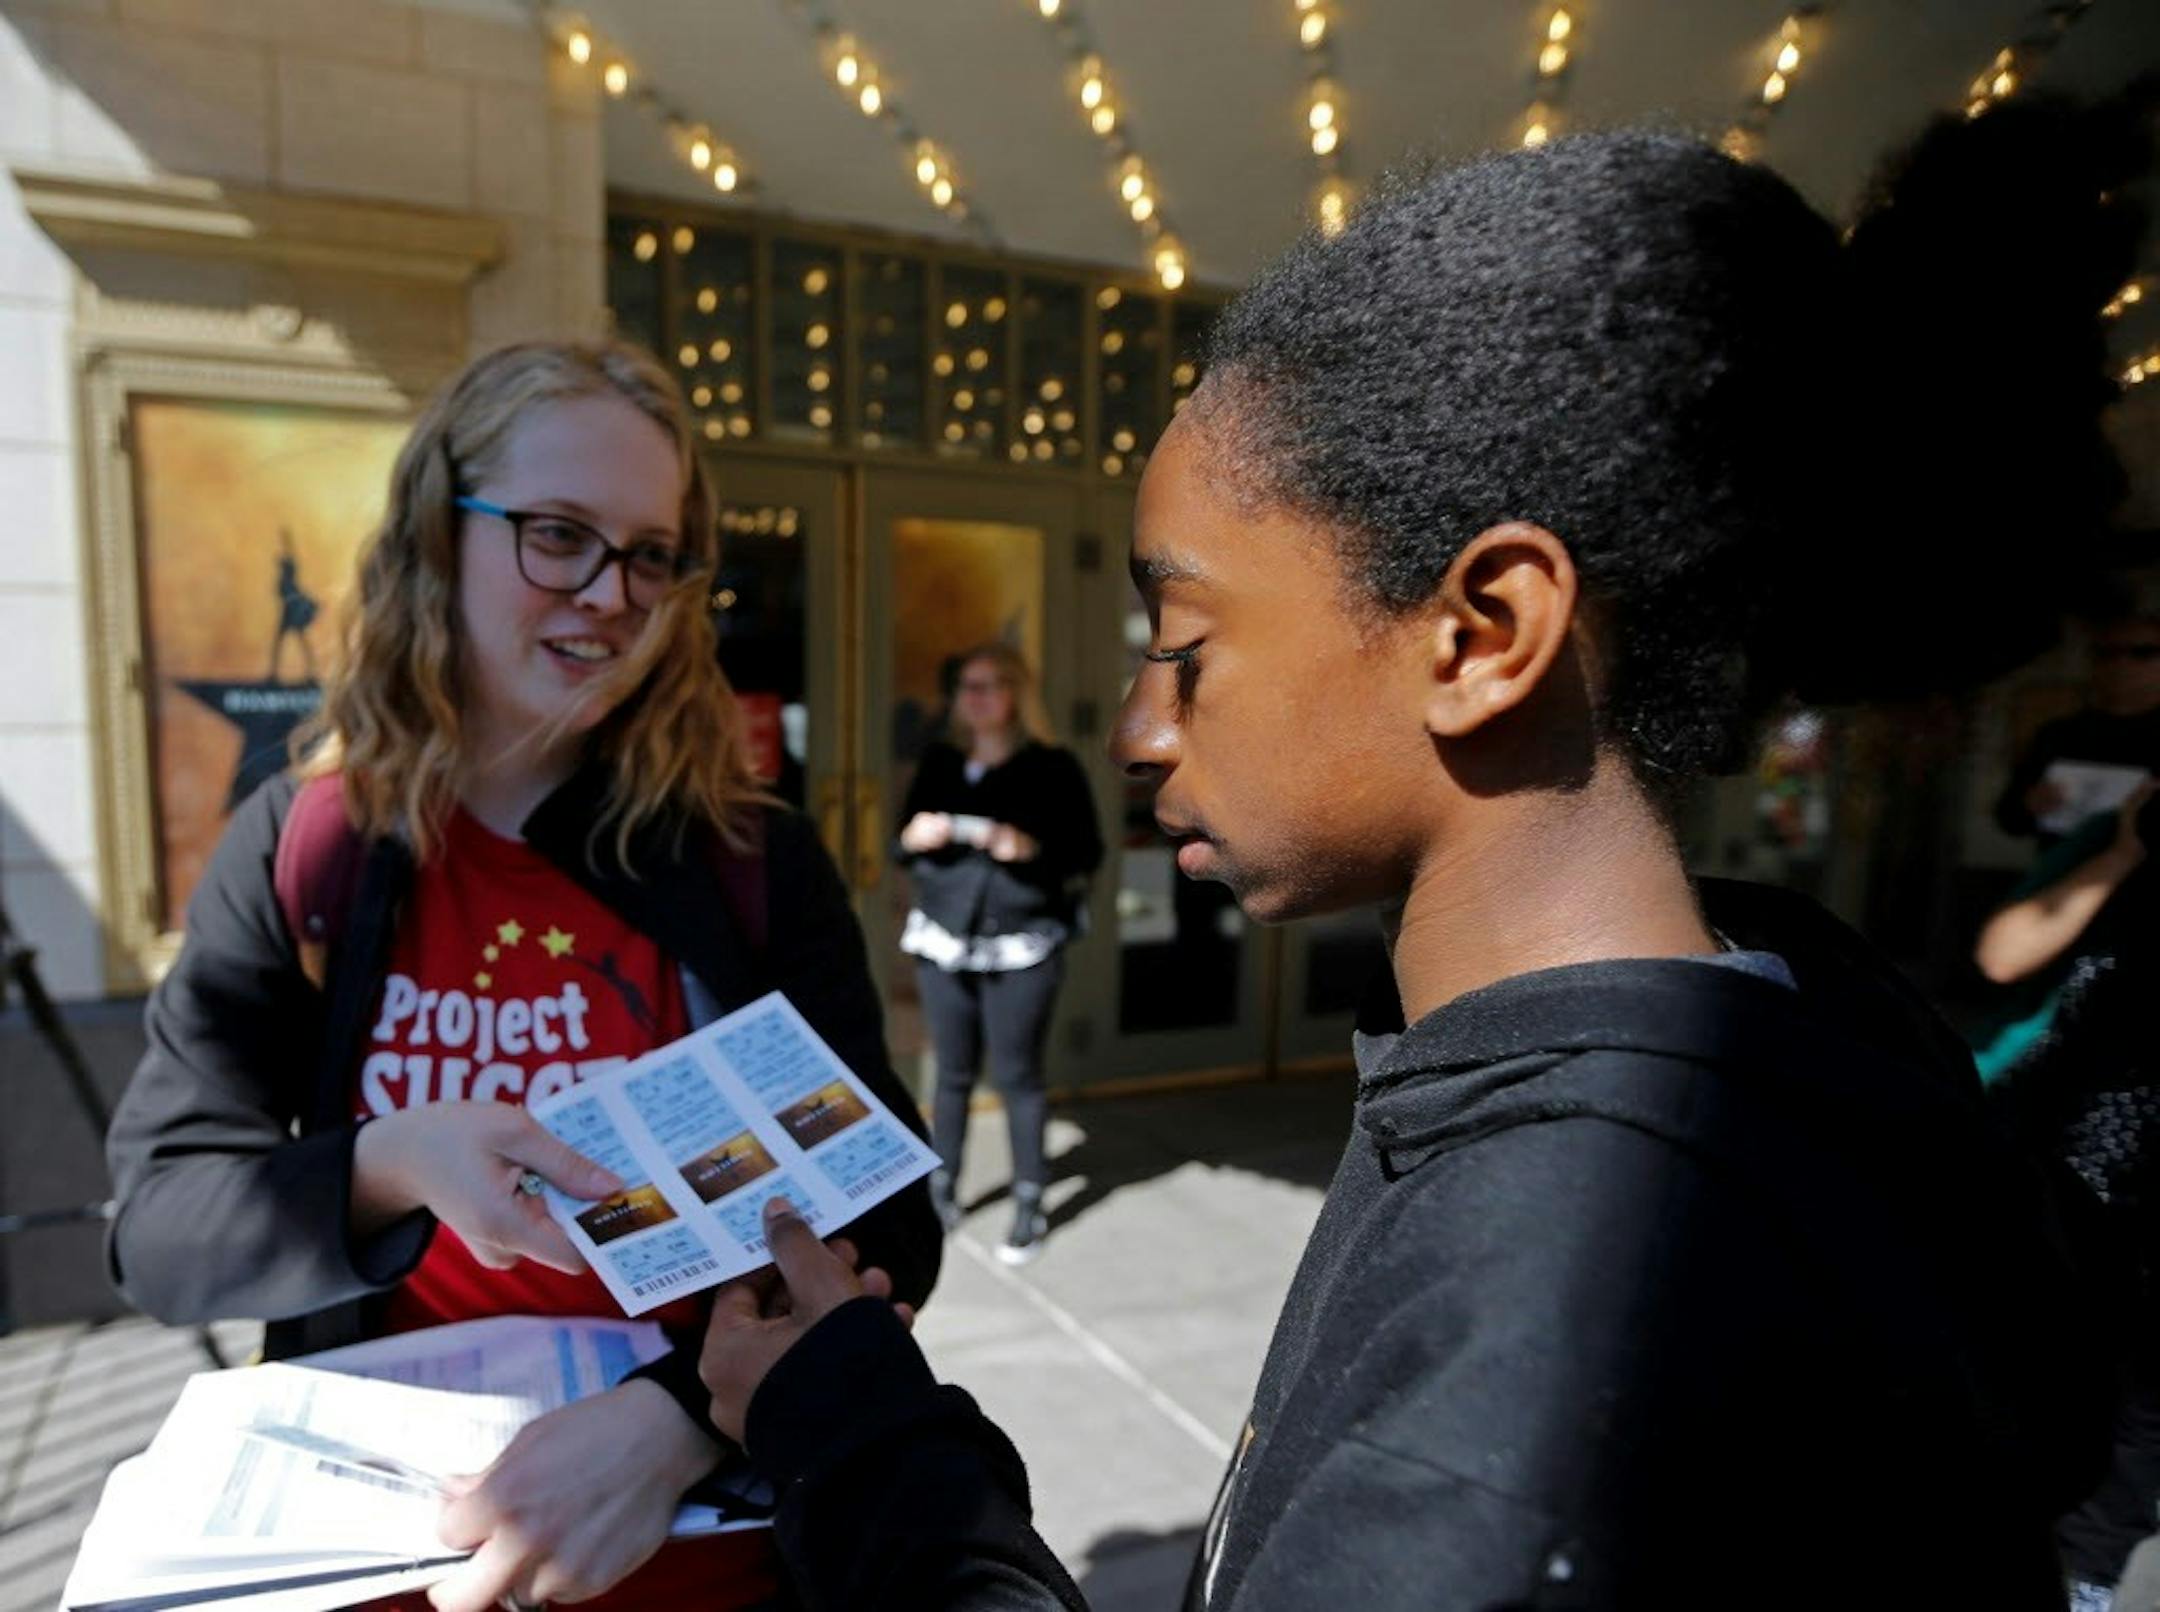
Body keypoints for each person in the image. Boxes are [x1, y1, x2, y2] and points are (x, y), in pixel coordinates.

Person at [692, 101, 2146, 1609]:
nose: (1137, 726)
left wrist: (851, 1436)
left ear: (1484, 634)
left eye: (1186, 644)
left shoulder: (1555, 1327)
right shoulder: (1808, 1034)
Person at [103, 339, 942, 1612]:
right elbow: (159, 1233)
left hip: (697, 1557)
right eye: (559, 534)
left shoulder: (743, 855)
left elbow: (887, 1219)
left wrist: (682, 1422)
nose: (610, 593)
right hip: (390, 1564)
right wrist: (393, 1162)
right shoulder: (305, 845)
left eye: (650, 553)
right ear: (441, 534)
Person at [895, 642, 1103, 1262]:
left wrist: (1027, 847)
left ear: (1017, 693)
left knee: (1018, 1077)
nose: (976, 698)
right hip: (943, 938)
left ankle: (1030, 1199)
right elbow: (902, 846)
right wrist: (911, 837)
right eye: (967, 687)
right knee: (952, 1075)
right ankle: (943, 1191)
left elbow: (1086, 854)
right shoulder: (939, 761)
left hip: (1021, 942)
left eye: (989, 685)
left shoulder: (1053, 767)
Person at [1996, 608, 2160, 844]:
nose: (2121, 663)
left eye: (2142, 652)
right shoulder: (2058, 734)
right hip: (2066, 871)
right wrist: (2029, 805)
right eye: (2106, 653)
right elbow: (2009, 818)